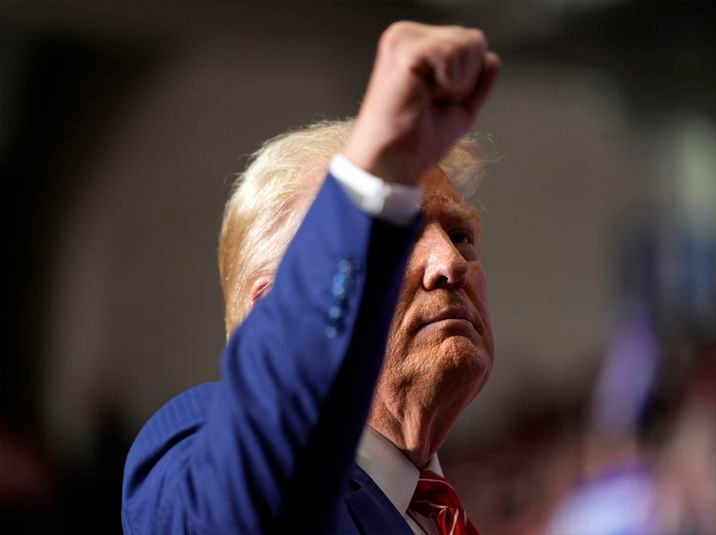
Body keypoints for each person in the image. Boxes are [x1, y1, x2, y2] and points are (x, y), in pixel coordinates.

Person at [122, 21, 500, 534]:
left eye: (459, 236)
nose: (450, 263)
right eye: (401, 239)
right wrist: (374, 182)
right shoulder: (198, 441)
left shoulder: (436, 514)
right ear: (269, 312)